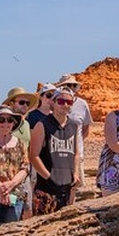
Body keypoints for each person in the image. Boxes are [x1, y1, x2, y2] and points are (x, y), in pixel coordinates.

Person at [29, 86, 81, 215]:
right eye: (61, 101)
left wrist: (75, 173)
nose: (65, 105)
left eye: (69, 102)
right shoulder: (42, 125)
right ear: (53, 102)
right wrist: (48, 177)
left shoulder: (73, 125)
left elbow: (76, 153)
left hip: (67, 185)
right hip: (46, 187)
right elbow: (33, 155)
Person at [3, 86, 38, 219]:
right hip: (8, 173)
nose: (25, 106)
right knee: (10, 210)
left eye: (27, 103)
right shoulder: (5, 123)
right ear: (11, 104)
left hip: (24, 172)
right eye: (21, 102)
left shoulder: (26, 124)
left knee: (27, 208)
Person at [56, 74, 91, 201]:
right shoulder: (54, 103)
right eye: (67, 85)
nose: (70, 88)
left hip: (76, 153)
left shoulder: (82, 104)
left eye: (73, 85)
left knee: (73, 187)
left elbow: (86, 129)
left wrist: (77, 144)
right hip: (56, 152)